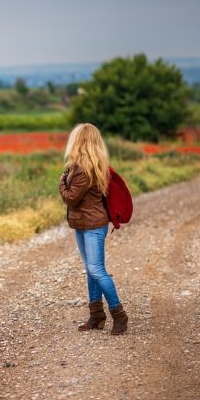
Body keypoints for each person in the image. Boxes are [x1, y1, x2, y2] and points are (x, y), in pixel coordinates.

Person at [59, 123, 128, 335]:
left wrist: (62, 182)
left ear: (78, 142)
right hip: (86, 224)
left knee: (96, 270)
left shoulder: (81, 169)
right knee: (91, 269)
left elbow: (70, 197)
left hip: (91, 227)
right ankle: (96, 314)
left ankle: (119, 315)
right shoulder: (96, 164)